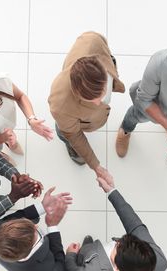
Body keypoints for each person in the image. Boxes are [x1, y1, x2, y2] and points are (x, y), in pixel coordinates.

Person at [64, 174, 167, 271]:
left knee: (85, 252)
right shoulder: (160, 260)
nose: (117, 242)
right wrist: (111, 190)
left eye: (117, 247)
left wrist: (70, 255)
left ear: (117, 268)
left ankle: (85, 250)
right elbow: (133, 223)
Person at [48, 31, 125, 179]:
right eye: (92, 99)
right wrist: (95, 166)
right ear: (77, 93)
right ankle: (70, 146)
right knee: (65, 133)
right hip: (71, 123)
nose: (99, 102)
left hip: (89, 115)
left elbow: (103, 47)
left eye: (102, 93)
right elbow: (75, 134)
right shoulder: (60, 106)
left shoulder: (91, 40)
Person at [0, 187, 72, 271]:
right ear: (31, 247)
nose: (36, 226)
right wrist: (52, 226)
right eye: (36, 232)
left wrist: (42, 206)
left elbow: (14, 218)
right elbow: (61, 267)